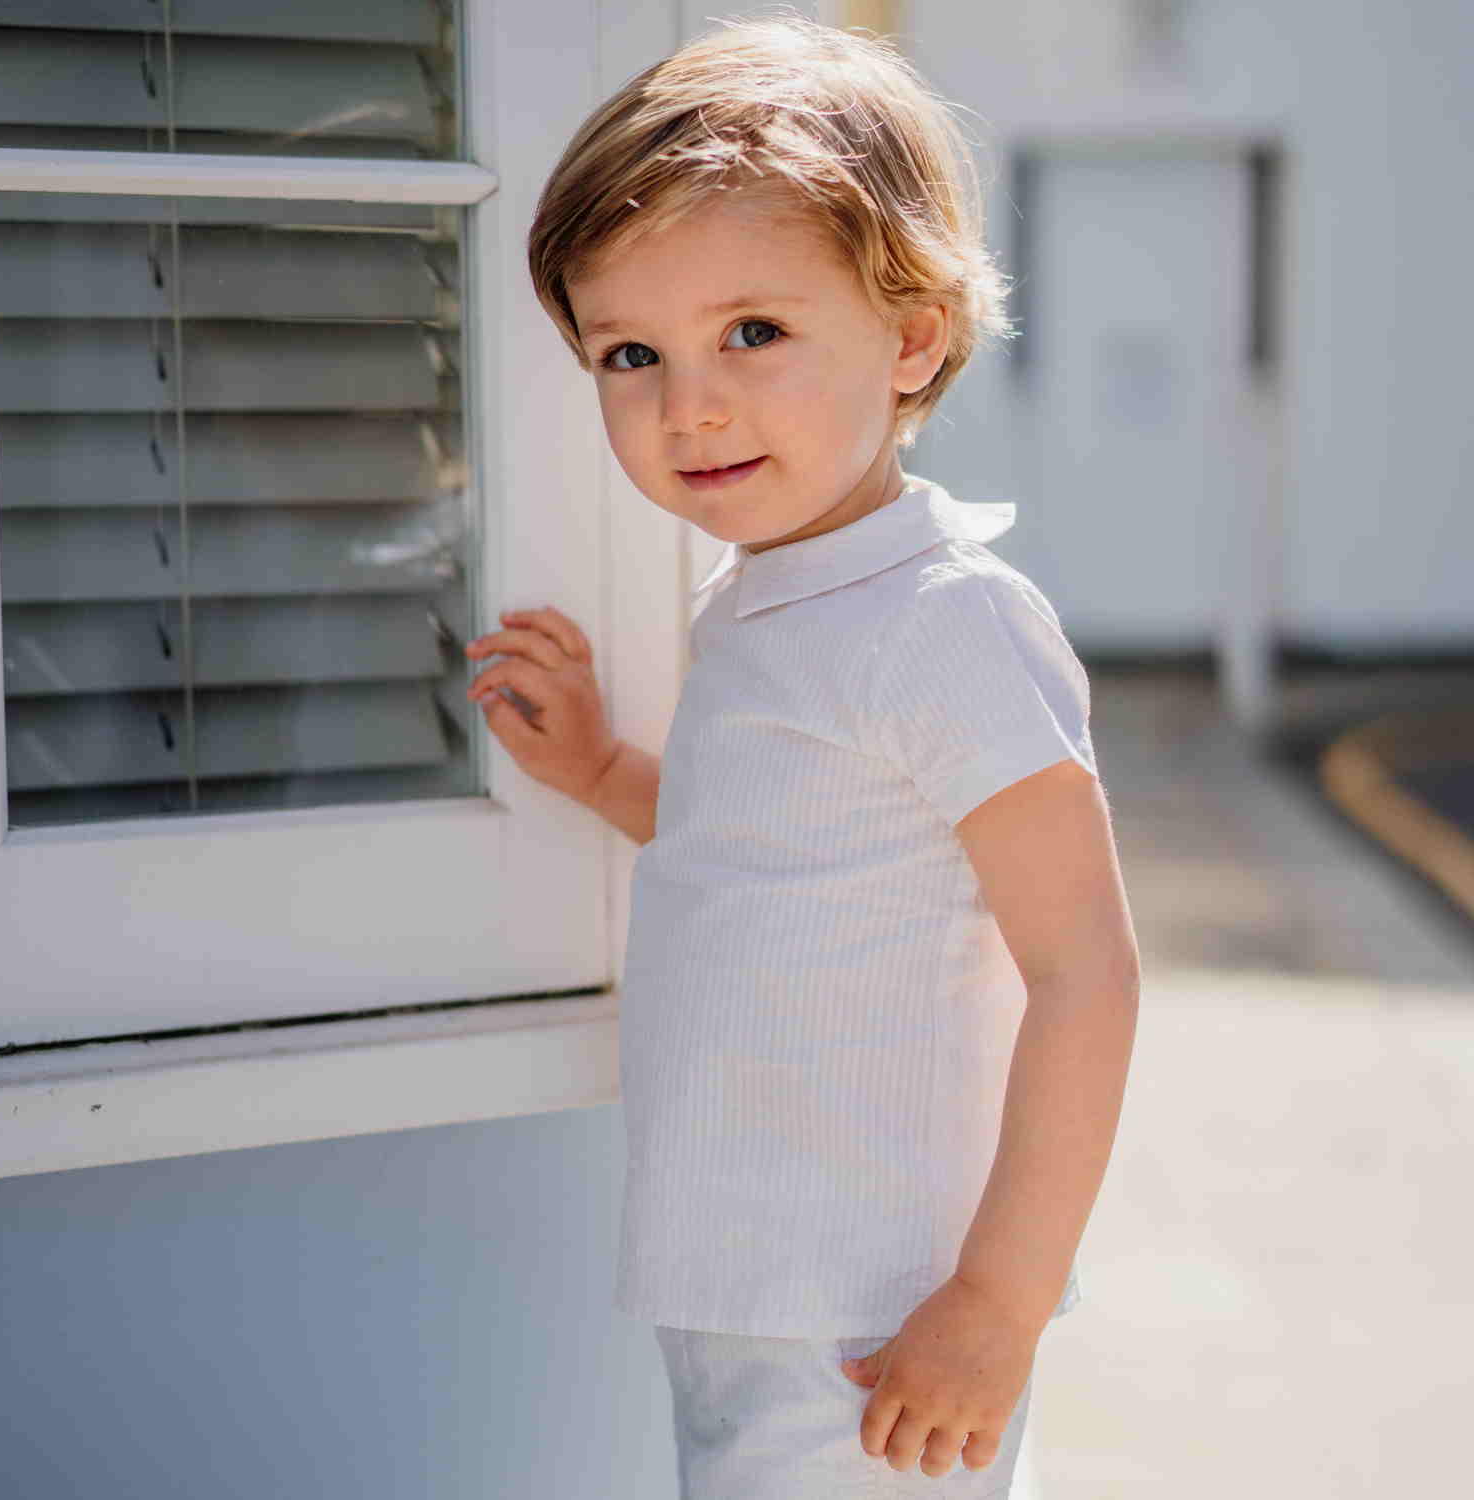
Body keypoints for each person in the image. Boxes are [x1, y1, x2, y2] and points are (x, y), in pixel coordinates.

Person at [465, 13, 1140, 1496]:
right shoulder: (768, 604)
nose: (686, 404)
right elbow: (772, 854)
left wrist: (998, 1303)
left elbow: (1087, 969)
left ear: (911, 335)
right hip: (741, 1275)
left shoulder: (945, 615)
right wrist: (597, 773)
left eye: (751, 333)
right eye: (628, 353)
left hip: (878, 1313)